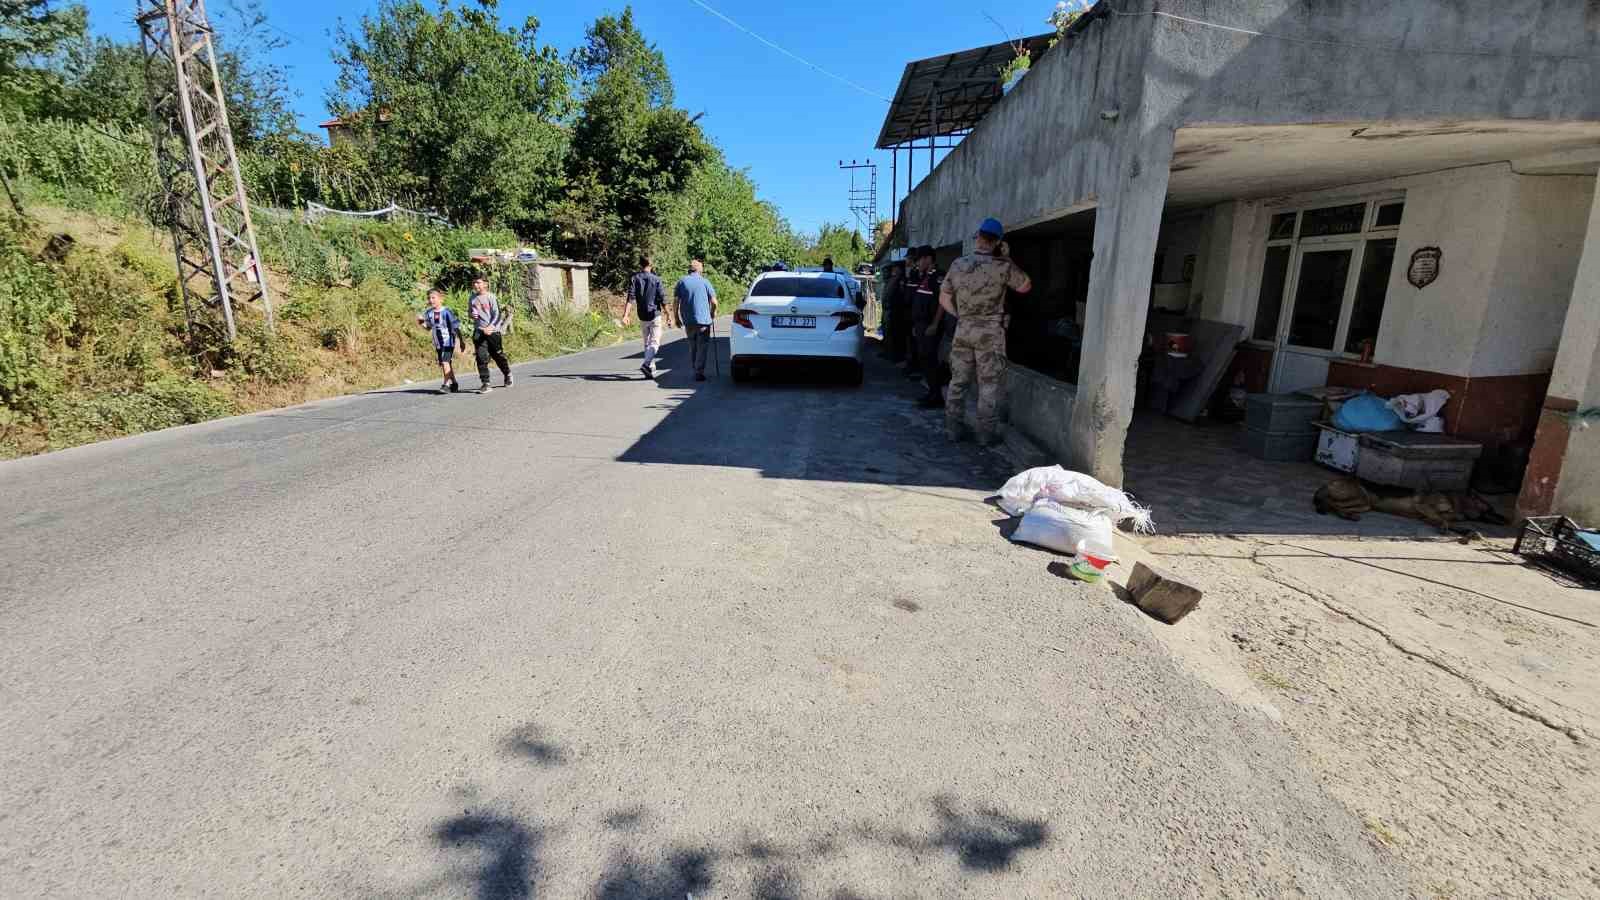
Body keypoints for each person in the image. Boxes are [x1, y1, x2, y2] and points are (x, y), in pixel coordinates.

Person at [940, 217, 1032, 445]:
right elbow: (1025, 286)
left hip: (964, 329)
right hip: (990, 334)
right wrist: (1007, 258)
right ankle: (985, 435)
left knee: (958, 381)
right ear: (998, 242)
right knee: (988, 384)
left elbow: (944, 298)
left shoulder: (958, 264)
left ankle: (953, 429)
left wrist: (960, 316)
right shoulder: (1003, 266)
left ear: (978, 237)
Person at [622, 255, 669, 379]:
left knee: (647, 343)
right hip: (654, 315)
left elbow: (630, 298)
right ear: (651, 265)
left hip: (642, 315)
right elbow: (663, 299)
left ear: (640, 265)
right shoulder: (656, 279)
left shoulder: (634, 278)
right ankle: (646, 364)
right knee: (655, 342)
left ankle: (650, 369)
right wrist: (668, 314)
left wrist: (626, 315)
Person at [674, 260, 718, 382]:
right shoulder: (705, 282)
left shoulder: (682, 282)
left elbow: (676, 302)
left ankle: (695, 368)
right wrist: (713, 313)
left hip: (688, 320)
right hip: (703, 320)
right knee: (702, 347)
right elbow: (714, 302)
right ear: (699, 269)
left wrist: (676, 317)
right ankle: (699, 371)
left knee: (693, 346)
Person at [468, 276, 513, 394]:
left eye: (478, 282)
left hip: (493, 332)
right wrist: (472, 314)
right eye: (474, 282)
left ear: (485, 284)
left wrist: (490, 327)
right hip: (479, 331)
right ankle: (486, 383)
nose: (475, 285)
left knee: (498, 355)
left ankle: (507, 373)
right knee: (480, 356)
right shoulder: (472, 298)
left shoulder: (491, 297)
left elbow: (498, 315)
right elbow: (470, 313)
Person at [907, 245, 944, 388]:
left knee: (930, 358)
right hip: (920, 325)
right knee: (924, 357)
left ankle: (936, 393)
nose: (917, 263)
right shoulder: (923, 276)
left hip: (930, 325)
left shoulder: (938, 276)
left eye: (919, 260)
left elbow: (942, 302)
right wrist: (915, 325)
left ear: (928, 259)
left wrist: (935, 324)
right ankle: (931, 391)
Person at [416, 288, 463, 394]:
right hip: (438, 342)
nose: (431, 300)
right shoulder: (429, 313)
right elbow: (428, 327)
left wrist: (461, 341)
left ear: (441, 299)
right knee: (446, 363)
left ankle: (446, 385)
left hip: (448, 341)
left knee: (445, 362)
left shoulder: (446, 312)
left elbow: (456, 327)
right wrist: (421, 323)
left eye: (433, 298)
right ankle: (454, 383)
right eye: (429, 298)